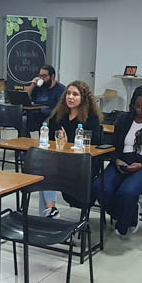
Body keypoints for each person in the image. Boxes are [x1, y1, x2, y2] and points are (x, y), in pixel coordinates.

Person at [92, 87, 142, 237]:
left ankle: (125, 223)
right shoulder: (124, 120)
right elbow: (114, 146)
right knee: (99, 186)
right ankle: (127, 213)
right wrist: (117, 160)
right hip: (123, 160)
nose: (140, 110)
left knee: (127, 192)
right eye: (137, 106)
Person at [41, 81, 102, 217]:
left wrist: (68, 143)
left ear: (83, 98)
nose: (70, 97)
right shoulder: (58, 115)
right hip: (60, 160)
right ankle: (50, 212)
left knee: (48, 170)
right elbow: (50, 140)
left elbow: (94, 145)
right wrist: (59, 143)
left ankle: (50, 212)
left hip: (82, 163)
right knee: (43, 169)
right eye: (68, 93)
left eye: (75, 94)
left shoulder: (91, 119)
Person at [24, 64, 65, 135]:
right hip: (36, 114)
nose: (42, 78)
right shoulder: (39, 86)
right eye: (40, 76)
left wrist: (49, 118)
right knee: (22, 121)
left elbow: (60, 108)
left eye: (44, 76)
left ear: (52, 76)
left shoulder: (60, 89)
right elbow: (25, 97)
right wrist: (33, 84)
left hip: (50, 116)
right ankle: (25, 140)